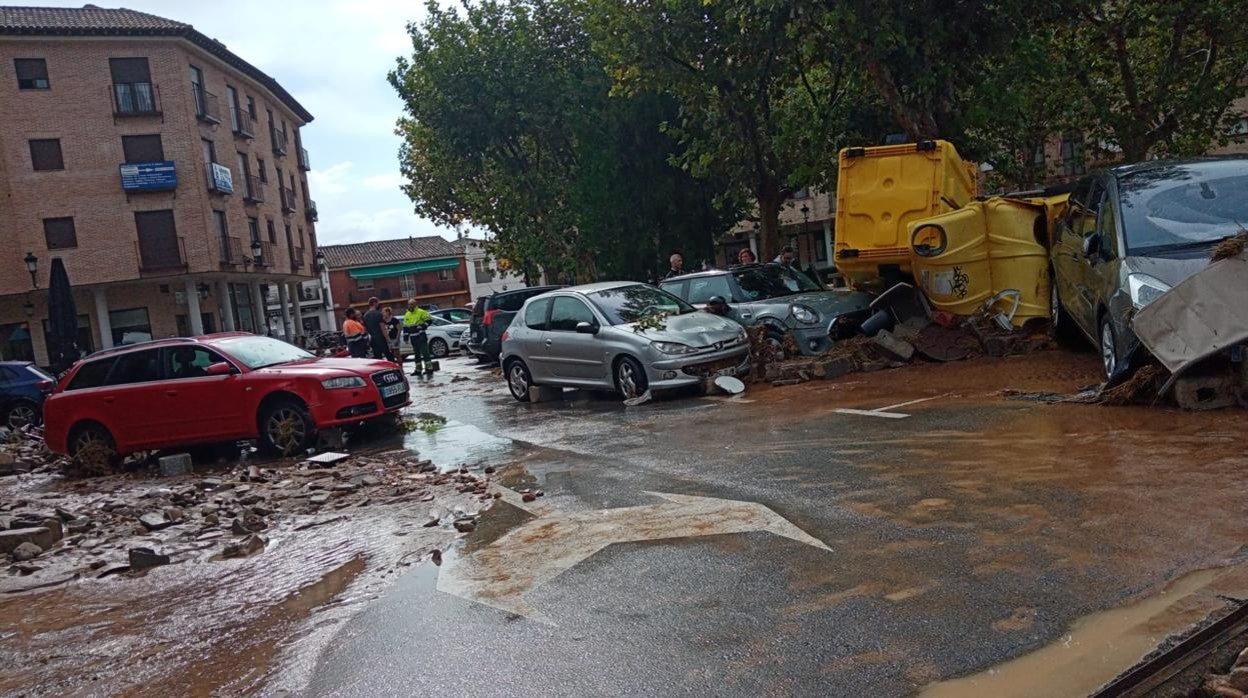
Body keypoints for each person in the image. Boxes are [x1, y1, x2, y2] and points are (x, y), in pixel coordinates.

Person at [402, 299, 435, 376]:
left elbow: (429, 320)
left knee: (425, 353)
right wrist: (405, 337)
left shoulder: (421, 312)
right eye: (409, 304)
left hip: (421, 336)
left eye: (412, 304)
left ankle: (429, 368)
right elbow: (405, 327)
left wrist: (422, 326)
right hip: (413, 337)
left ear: (415, 304)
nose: (410, 306)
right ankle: (418, 370)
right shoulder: (407, 314)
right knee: (416, 354)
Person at [362, 297, 396, 362]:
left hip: (373, 339)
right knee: (389, 356)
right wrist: (388, 339)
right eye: (378, 303)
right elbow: (383, 328)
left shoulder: (365, 315)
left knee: (377, 358)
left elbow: (365, 329)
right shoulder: (378, 314)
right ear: (374, 303)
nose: (379, 304)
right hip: (381, 338)